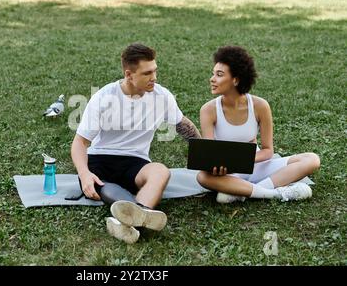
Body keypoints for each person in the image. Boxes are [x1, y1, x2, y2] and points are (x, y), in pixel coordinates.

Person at [71, 43, 200, 243]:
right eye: (147, 73)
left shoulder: (162, 96)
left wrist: (207, 154)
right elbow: (80, 143)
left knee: (161, 171)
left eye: (155, 71)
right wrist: (84, 174)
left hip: (135, 162)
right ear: (129, 74)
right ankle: (142, 214)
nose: (154, 78)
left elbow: (183, 125)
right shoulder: (104, 97)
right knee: (103, 184)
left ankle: (124, 222)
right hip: (100, 160)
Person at [197, 45, 320, 203]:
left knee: (312, 159)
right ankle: (274, 194)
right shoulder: (208, 110)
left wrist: (242, 160)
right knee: (203, 177)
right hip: (229, 172)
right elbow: (210, 154)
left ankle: (244, 191)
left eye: (219, 75)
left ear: (235, 80)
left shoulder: (260, 106)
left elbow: (268, 151)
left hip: (256, 165)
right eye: (213, 74)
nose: (212, 79)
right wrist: (217, 166)